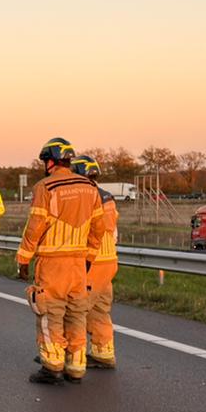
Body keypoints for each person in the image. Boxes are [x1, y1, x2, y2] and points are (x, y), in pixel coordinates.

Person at [16, 138, 109, 385]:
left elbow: (35, 227)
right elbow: (99, 228)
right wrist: (89, 257)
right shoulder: (90, 187)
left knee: (50, 312)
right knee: (77, 313)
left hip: (52, 262)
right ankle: (76, 367)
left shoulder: (45, 187)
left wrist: (23, 259)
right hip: (78, 263)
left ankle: (52, 366)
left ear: (51, 161)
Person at [73, 155, 119, 370]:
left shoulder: (85, 198)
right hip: (109, 259)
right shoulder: (106, 196)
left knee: (77, 309)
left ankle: (73, 356)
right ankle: (103, 352)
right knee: (100, 309)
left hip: (92, 259)